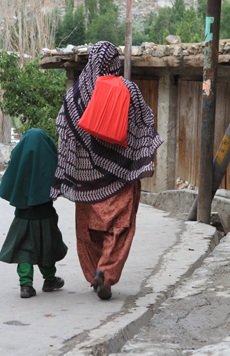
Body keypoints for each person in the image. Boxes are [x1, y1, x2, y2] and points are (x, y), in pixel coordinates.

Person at [51, 41, 163, 300]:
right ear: (116, 63)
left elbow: (63, 130)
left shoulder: (75, 95)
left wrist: (68, 173)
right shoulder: (129, 90)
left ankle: (94, 275)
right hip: (121, 179)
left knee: (88, 232)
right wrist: (140, 158)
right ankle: (106, 273)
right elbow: (146, 123)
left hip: (86, 184)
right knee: (119, 229)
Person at [0, 128, 67, 299]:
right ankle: (50, 280)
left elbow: (8, 181)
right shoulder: (49, 158)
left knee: (24, 249)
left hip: (23, 215)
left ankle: (26, 286)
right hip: (45, 215)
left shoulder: (19, 157)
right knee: (47, 247)